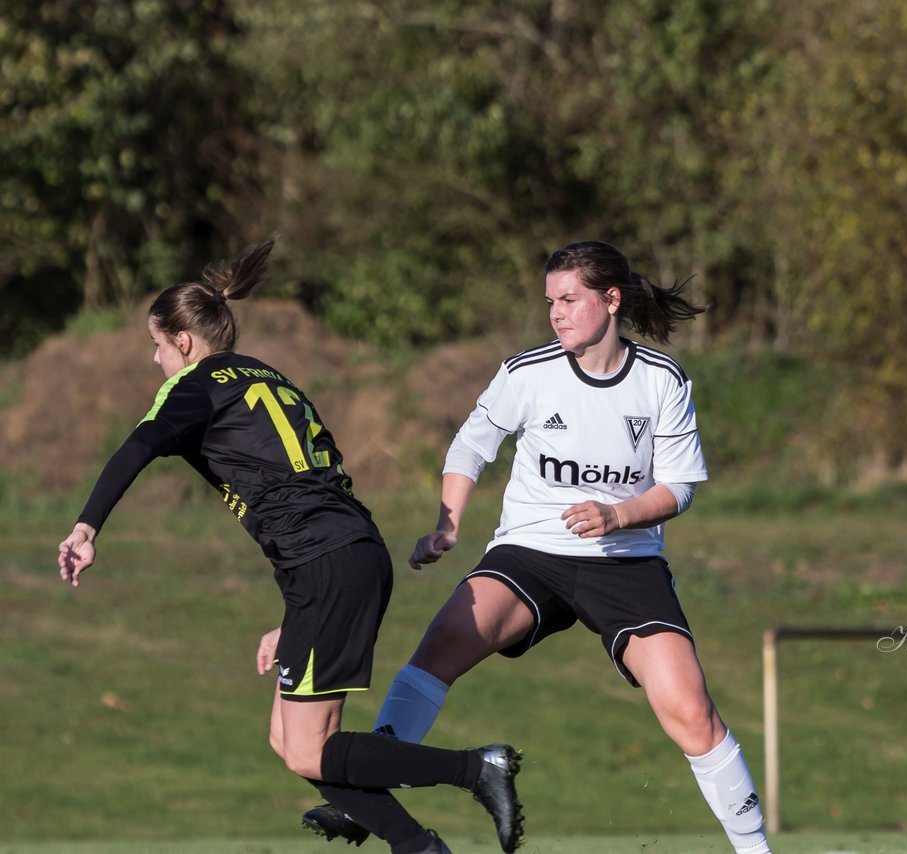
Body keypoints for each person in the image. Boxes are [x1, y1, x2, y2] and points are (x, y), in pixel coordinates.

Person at [56, 238, 524, 854]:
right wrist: (296, 614)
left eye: (158, 344)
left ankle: (476, 769)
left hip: (326, 563)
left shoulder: (194, 384)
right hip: (342, 556)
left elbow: (136, 448)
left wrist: (87, 526)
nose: (155, 360)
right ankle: (419, 846)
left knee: (310, 746)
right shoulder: (270, 378)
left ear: (185, 343)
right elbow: (305, 488)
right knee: (291, 744)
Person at [305, 240, 771, 853]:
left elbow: (680, 487)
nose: (555, 312)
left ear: (610, 300)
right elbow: (470, 447)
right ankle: (370, 803)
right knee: (442, 643)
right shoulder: (528, 373)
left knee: (690, 712)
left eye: (569, 299)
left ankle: (756, 850)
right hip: (528, 553)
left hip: (625, 562)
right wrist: (448, 523)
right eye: (550, 300)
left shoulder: (661, 380)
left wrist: (619, 514)